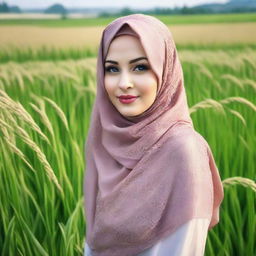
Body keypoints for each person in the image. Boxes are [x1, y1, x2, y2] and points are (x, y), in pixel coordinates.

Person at [83, 14, 224, 256]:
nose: (124, 83)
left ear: (165, 70)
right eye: (112, 69)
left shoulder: (184, 152)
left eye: (140, 67)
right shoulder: (106, 143)